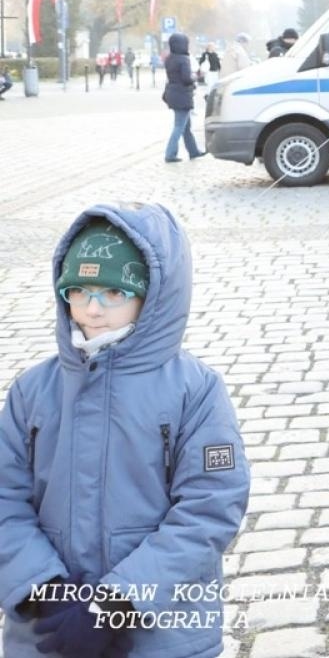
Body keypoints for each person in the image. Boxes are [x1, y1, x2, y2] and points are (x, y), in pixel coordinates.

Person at [0, 203, 250, 658]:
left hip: (161, 632)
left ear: (152, 294)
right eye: (78, 290)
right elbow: (4, 499)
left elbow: (210, 507)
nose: (92, 310)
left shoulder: (194, 391)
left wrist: (118, 602)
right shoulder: (32, 391)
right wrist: (43, 589)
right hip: (50, 629)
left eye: (113, 293)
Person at [161, 34, 205, 162]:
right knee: (179, 126)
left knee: (186, 126)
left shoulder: (169, 58)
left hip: (172, 93)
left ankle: (193, 151)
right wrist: (196, 77)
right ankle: (170, 154)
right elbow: (186, 79)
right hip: (182, 95)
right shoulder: (183, 59)